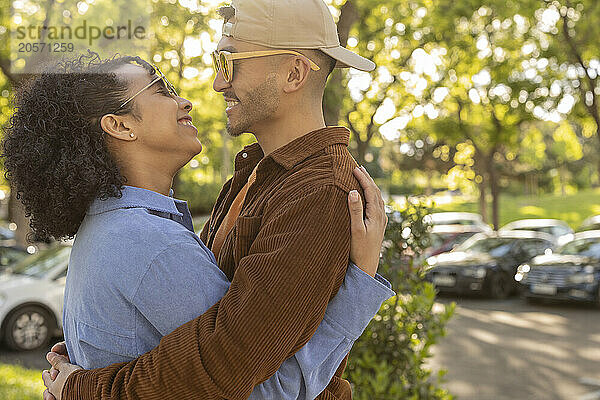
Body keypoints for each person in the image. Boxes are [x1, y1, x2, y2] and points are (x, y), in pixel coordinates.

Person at [40, 0, 386, 398]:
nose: (218, 83)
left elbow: (243, 378)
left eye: (229, 63)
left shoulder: (319, 194)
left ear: (293, 73)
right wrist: (113, 341)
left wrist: (83, 388)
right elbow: (201, 334)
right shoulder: (252, 174)